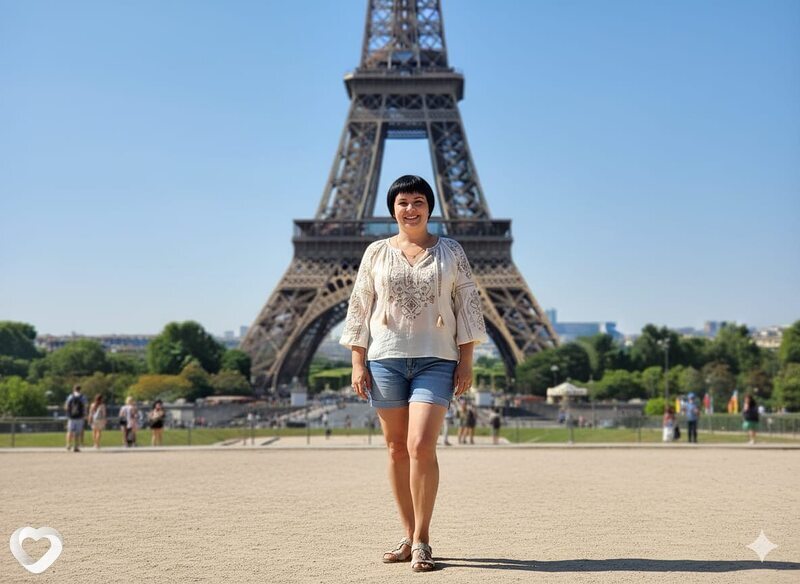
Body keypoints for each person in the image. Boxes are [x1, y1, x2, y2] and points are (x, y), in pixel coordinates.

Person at [340, 175, 487, 572]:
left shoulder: (451, 251)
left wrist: (467, 360)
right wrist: (357, 361)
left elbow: (468, 305)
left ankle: (423, 537)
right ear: (393, 209)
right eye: (403, 202)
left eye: (418, 201)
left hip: (436, 359)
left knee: (420, 445)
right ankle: (408, 535)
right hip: (385, 358)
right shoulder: (375, 252)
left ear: (429, 207)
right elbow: (360, 306)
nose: (410, 209)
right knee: (396, 449)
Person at [65, 384, 88, 452]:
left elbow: (66, 406)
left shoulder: (70, 396)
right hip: (79, 417)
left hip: (71, 417)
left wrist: (68, 413)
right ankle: (76, 446)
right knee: (77, 433)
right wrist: (85, 414)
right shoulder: (83, 397)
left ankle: (68, 445)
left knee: (69, 431)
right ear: (80, 389)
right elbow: (85, 406)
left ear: (74, 389)